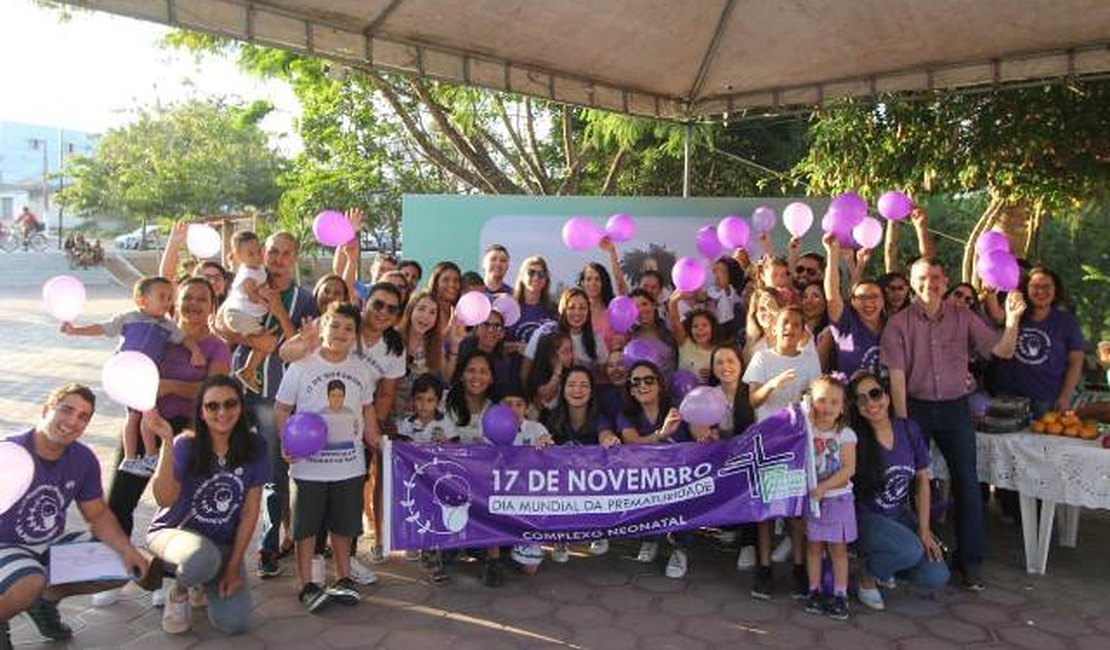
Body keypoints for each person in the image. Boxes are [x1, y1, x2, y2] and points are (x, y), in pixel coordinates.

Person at [880, 256, 1026, 590]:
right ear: (912, 281)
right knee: (907, 480)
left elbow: (1000, 350)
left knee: (968, 483)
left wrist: (1013, 320)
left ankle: (970, 561)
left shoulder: (964, 318)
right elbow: (897, 379)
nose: (928, 283)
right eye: (921, 277)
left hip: (954, 408)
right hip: (914, 407)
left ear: (945, 282)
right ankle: (908, 553)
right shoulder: (899, 323)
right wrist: (903, 426)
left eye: (934, 276)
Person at [101, 276, 231, 607]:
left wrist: (170, 386)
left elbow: (215, 392)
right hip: (146, 423)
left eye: (202, 299)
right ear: (175, 301)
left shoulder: (217, 346)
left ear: (212, 306)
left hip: (187, 432)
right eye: (187, 298)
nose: (193, 305)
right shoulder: (161, 333)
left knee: (176, 505)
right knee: (120, 500)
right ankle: (112, 571)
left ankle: (171, 576)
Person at [0, 384, 151, 647]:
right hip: (5, 546)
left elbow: (98, 514)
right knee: (28, 581)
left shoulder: (83, 459)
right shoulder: (9, 452)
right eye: (66, 410)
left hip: (45, 546)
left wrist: (127, 548)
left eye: (83, 416)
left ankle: (43, 601)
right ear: (46, 410)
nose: (73, 421)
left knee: (121, 563)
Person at [222, 231, 318, 580]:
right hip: (236, 391)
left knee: (275, 474)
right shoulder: (247, 282)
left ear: (295, 258)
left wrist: (278, 310)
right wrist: (248, 336)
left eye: (285, 253)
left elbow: (304, 346)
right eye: (272, 252)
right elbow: (223, 324)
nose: (277, 259)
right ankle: (222, 543)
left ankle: (268, 545)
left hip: (275, 395)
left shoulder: (305, 299)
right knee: (230, 468)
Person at [141, 377, 269, 635]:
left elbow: (249, 512)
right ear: (201, 411)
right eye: (212, 406)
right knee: (201, 557)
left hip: (221, 543)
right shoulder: (186, 445)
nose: (222, 412)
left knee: (235, 624)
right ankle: (178, 592)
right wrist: (166, 441)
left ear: (241, 407)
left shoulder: (255, 447)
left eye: (230, 403)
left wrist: (233, 567)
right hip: (173, 533)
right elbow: (164, 500)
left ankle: (202, 581)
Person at [275, 303, 380, 613]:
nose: (340, 334)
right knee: (306, 528)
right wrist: (286, 440)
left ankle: (344, 578)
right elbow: (281, 408)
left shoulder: (361, 370)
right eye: (334, 326)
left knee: (344, 525)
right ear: (323, 328)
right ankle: (306, 583)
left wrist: (373, 437)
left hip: (350, 465)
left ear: (356, 336)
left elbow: (367, 408)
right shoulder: (302, 365)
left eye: (348, 329)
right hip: (309, 467)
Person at [61, 276, 205, 477]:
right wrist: (75, 330)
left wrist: (196, 352)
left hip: (147, 378)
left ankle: (148, 456)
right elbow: (103, 328)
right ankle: (132, 458)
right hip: (126, 375)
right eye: (161, 296)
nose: (167, 302)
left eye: (170, 297)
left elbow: (185, 339)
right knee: (135, 415)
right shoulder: (129, 318)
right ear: (142, 300)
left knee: (147, 414)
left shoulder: (168, 325)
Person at [849, 372, 949, 612]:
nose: (871, 403)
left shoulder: (908, 428)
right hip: (867, 518)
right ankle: (867, 575)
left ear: (887, 395)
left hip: (899, 514)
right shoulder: (854, 439)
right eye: (862, 399)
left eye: (875, 394)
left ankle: (887, 566)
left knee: (936, 574)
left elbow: (922, 480)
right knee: (911, 549)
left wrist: (924, 529)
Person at [743, 307, 821, 600]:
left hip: (798, 443)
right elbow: (753, 399)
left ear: (803, 331)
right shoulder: (763, 358)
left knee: (796, 508)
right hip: (768, 442)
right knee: (766, 509)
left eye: (797, 324)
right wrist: (773, 384)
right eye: (785, 323)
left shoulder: (809, 360)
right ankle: (764, 569)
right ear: (774, 327)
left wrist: (808, 399)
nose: (790, 328)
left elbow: (816, 397)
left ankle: (800, 567)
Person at [618, 360, 692, 578]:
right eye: (636, 382)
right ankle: (651, 539)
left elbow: (699, 430)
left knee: (685, 494)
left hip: (679, 479)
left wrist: (706, 435)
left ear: (659, 384)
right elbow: (632, 442)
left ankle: (680, 549)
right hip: (646, 479)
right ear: (630, 390)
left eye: (649, 380)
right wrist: (661, 435)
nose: (643, 386)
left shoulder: (679, 409)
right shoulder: (627, 414)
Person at [541, 366, 621, 560]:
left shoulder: (600, 417)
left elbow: (605, 433)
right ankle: (560, 537)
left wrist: (609, 439)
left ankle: (599, 531)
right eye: (572, 385)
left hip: (592, 484)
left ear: (592, 391)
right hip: (563, 485)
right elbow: (543, 437)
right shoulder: (552, 417)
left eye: (584, 385)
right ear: (563, 389)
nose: (577, 390)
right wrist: (542, 441)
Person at [990, 267, 1085, 415]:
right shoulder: (1014, 312)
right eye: (1035, 286)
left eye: (1046, 287)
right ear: (1026, 289)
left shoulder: (1067, 322)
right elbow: (996, 316)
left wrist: (1065, 396)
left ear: (1056, 291)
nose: (1040, 292)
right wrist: (990, 291)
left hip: (1047, 400)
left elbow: (1076, 362)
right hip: (1008, 398)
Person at [802, 376, 857, 621]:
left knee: (838, 548)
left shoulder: (845, 434)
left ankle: (840, 594)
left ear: (842, 407)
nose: (827, 406)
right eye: (821, 400)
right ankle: (813, 590)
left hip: (837, 499)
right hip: (814, 500)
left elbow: (848, 470)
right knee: (813, 546)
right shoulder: (806, 431)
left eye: (834, 402)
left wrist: (824, 487)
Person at [395, 373, 456, 582]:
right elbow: (400, 451)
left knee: (437, 517)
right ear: (413, 400)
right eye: (419, 399)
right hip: (415, 481)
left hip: (438, 480)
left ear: (438, 402)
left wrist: (445, 444)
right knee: (420, 515)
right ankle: (427, 553)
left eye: (430, 400)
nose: (424, 405)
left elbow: (455, 451)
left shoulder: (445, 423)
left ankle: (436, 554)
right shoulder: (406, 424)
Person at [821, 234, 886, 377]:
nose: (868, 302)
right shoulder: (845, 325)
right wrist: (832, 253)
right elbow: (832, 294)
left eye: (874, 296)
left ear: (883, 300)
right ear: (853, 302)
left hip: (888, 398)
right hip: (852, 397)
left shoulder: (893, 326)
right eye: (861, 297)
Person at [216, 231, 271, 393]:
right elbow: (252, 295)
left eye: (259, 251)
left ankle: (246, 370)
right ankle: (248, 371)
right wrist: (263, 299)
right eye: (251, 254)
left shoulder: (258, 268)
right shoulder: (248, 274)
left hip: (241, 314)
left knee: (261, 342)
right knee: (264, 343)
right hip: (238, 315)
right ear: (239, 257)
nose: (257, 256)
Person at [445, 350, 496, 444]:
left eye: (483, 372)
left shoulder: (496, 410)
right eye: (471, 370)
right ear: (461, 375)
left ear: (492, 378)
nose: (476, 376)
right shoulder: (442, 401)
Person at [509, 255, 558, 348]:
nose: (536, 278)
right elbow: (496, 345)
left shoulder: (553, 309)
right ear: (522, 277)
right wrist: (517, 346)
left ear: (546, 279)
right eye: (531, 273)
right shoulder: (509, 307)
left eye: (541, 274)